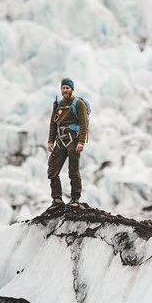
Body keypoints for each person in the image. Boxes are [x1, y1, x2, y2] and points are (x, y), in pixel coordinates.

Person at [46, 78, 88, 211]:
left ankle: (75, 199)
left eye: (67, 88)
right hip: (60, 140)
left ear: (72, 89)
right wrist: (50, 141)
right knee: (52, 170)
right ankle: (57, 199)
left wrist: (81, 142)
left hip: (73, 140)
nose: (65, 90)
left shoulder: (78, 104)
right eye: (63, 88)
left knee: (73, 171)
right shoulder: (57, 105)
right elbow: (53, 124)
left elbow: (83, 124)